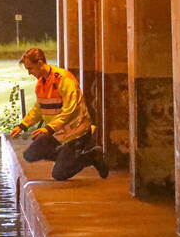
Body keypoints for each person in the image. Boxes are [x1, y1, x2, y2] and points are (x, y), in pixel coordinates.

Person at [10, 47, 109, 180]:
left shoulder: (64, 79)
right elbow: (39, 108)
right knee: (30, 154)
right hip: (57, 132)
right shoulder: (41, 83)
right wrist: (23, 125)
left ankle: (91, 157)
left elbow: (70, 110)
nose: (29, 73)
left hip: (76, 131)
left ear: (40, 63)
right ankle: (67, 155)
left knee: (59, 174)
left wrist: (48, 128)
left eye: (30, 68)